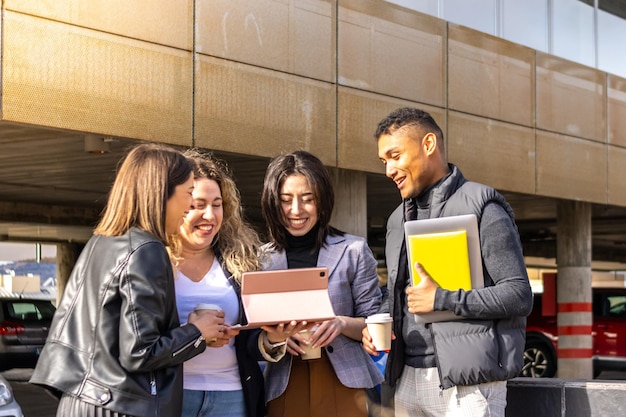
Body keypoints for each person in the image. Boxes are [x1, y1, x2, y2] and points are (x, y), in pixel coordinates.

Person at [30, 143, 226, 417]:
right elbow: (139, 351)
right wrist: (197, 333)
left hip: (82, 400)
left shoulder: (102, 242)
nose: (189, 204)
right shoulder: (147, 250)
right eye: (188, 193)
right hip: (118, 405)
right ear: (162, 194)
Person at [361, 107, 534, 417]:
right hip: (406, 379)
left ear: (428, 145)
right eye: (384, 161)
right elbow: (403, 296)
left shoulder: (482, 206)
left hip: (468, 387)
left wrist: (441, 298)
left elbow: (518, 295)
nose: (388, 169)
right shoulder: (395, 220)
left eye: (395, 155)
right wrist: (378, 324)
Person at [168, 150, 307, 417]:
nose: (210, 215)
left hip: (231, 396)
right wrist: (194, 332)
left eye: (217, 204)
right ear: (176, 204)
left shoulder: (240, 261)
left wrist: (274, 337)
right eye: (198, 204)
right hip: (173, 394)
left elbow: (249, 341)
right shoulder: (153, 262)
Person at [260, 150, 384, 417]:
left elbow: (374, 320)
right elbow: (255, 332)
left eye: (308, 199)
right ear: (273, 202)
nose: (296, 210)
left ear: (323, 201)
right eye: (285, 200)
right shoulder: (260, 260)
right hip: (285, 381)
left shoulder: (353, 250)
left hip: (345, 380)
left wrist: (340, 323)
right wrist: (277, 339)